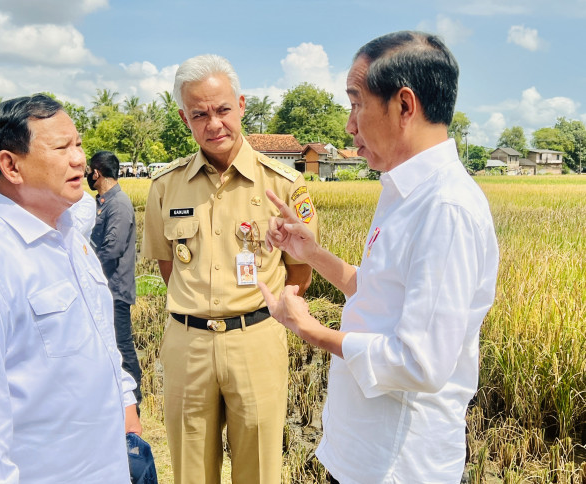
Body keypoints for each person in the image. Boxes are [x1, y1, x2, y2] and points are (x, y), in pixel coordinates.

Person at [258, 31, 500, 484]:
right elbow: (379, 292)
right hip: (362, 453)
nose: (350, 125)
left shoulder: (446, 208)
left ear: (404, 106)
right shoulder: (402, 190)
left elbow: (419, 361)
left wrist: (308, 328)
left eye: (356, 103)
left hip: (400, 465)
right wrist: (311, 253)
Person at [0, 94, 140, 484]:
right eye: (61, 147)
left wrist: (125, 398)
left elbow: (101, 337)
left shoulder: (72, 236)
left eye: (78, 144)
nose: (79, 159)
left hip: (103, 464)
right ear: (10, 164)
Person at [141, 54, 318, 484]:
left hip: (255, 339)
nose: (214, 123)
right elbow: (170, 268)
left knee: (258, 469)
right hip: (188, 343)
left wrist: (263, 315)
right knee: (190, 470)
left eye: (222, 110)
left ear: (241, 105)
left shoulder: (284, 185)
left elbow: (301, 271)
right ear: (185, 118)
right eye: (200, 114)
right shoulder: (166, 186)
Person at [86, 150, 142, 406]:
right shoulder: (101, 202)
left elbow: (113, 248)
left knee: (123, 349)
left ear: (96, 172)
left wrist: (86, 268)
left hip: (115, 290)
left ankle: (134, 405)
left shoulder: (118, 203)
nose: (87, 175)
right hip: (103, 289)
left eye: (89, 171)